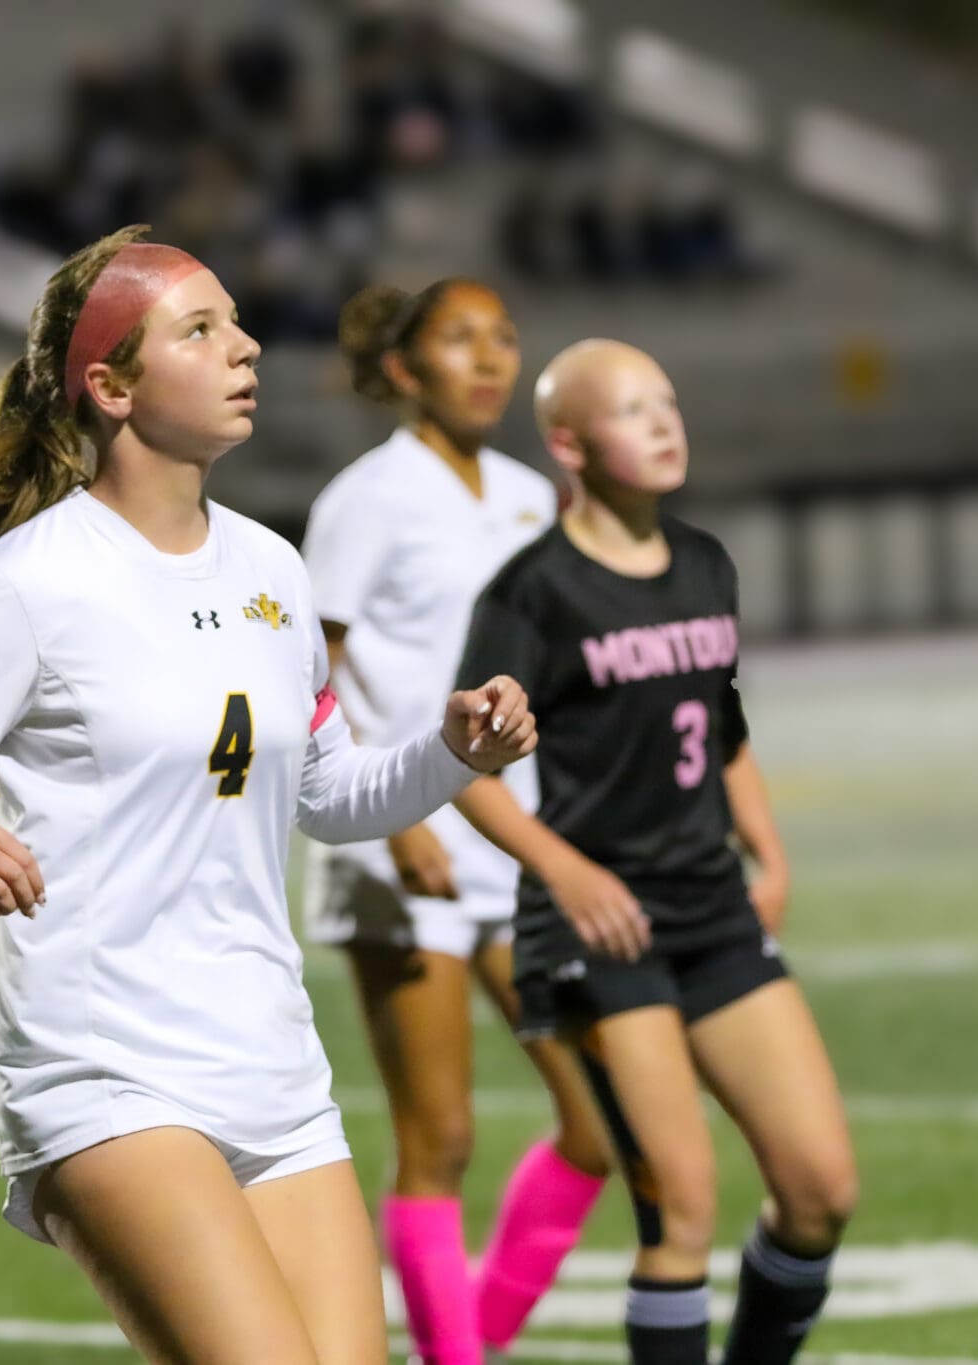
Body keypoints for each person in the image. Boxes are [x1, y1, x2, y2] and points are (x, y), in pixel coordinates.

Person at [0, 226, 538, 1365]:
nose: (244, 347)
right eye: (199, 330)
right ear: (111, 386)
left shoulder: (270, 568)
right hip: (106, 1073)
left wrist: (453, 752)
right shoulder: (24, 585)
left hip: (274, 1067)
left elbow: (325, 794)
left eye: (236, 323)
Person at [453, 341, 857, 1365]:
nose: (664, 423)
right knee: (680, 1206)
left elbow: (720, 729)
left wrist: (767, 853)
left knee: (819, 1190)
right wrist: (567, 871)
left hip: (709, 908)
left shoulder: (705, 563)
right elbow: (462, 770)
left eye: (666, 403)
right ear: (568, 445)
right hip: (600, 929)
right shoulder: (532, 592)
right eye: (632, 410)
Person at [301, 278, 611, 1363]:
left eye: (503, 339)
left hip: (513, 841)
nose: (489, 360)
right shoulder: (367, 498)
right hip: (404, 841)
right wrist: (392, 819)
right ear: (403, 369)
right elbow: (310, 666)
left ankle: (464, 1348)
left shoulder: (530, 496)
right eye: (459, 340)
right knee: (439, 1136)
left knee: (598, 1125)